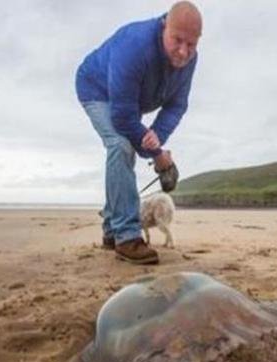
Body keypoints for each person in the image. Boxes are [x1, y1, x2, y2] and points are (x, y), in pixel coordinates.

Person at [76, 2, 202, 265]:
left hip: (132, 101)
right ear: (164, 25)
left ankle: (111, 231)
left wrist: (155, 137)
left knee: (130, 145)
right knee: (121, 144)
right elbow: (122, 117)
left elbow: (177, 104)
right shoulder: (134, 45)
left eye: (191, 45)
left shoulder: (190, 60)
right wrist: (158, 155)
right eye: (177, 40)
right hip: (97, 89)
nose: (183, 51)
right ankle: (126, 236)